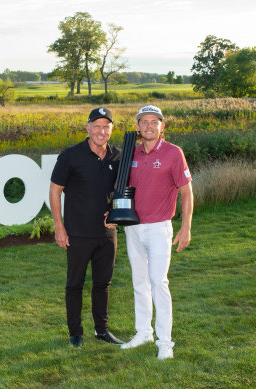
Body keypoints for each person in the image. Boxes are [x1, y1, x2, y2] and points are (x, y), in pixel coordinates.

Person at [120, 105, 193, 360]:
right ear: (138, 126)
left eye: (154, 121)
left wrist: (186, 228)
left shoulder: (174, 153)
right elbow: (122, 188)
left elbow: (186, 192)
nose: (149, 126)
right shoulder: (131, 152)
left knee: (158, 282)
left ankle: (165, 342)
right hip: (133, 227)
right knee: (139, 281)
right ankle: (143, 332)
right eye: (144, 121)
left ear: (162, 126)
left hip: (159, 227)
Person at [50, 107, 124, 348]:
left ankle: (101, 330)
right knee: (75, 284)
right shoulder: (71, 155)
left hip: (106, 233)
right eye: (97, 126)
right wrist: (59, 227)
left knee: (103, 284)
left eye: (106, 126)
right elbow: (55, 191)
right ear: (88, 127)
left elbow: (123, 191)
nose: (101, 131)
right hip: (78, 233)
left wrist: (116, 214)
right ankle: (75, 333)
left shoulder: (117, 156)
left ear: (111, 129)